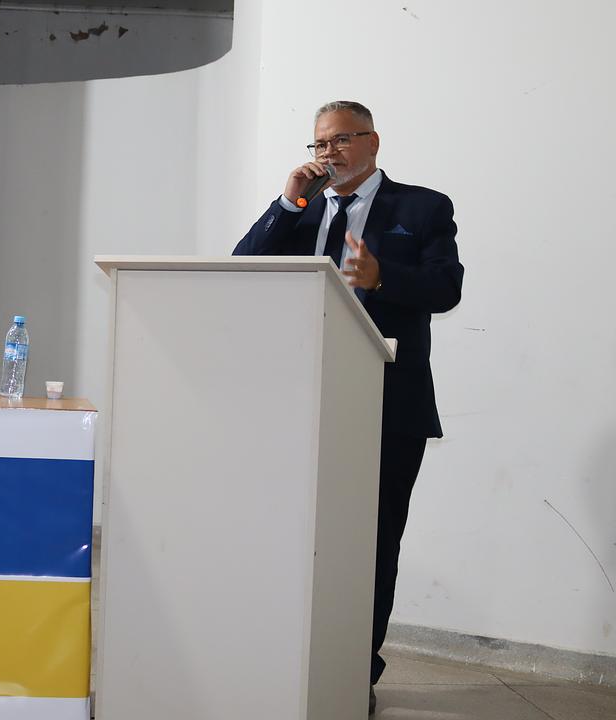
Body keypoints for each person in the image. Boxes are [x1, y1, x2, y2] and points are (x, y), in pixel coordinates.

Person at [232, 100, 463, 714]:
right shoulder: (301, 209)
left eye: (339, 140)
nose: (326, 153)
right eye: (318, 144)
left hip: (388, 402)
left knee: (373, 542)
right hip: (299, 401)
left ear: (372, 142)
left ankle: (354, 670)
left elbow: (446, 289)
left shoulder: (422, 208)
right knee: (292, 536)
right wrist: (287, 203)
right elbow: (242, 271)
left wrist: (382, 277)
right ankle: (285, 661)